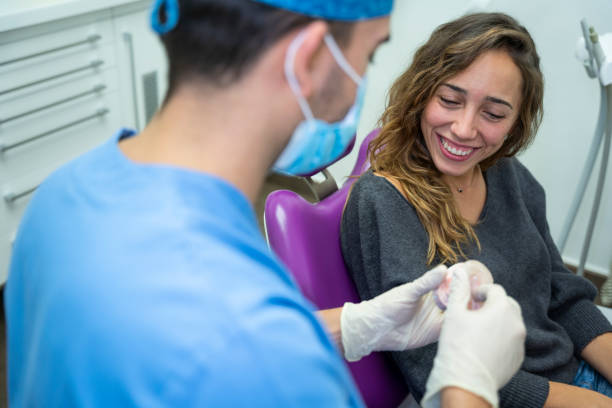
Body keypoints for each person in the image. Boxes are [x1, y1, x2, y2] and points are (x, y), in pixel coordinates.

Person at [5, 1, 524, 407]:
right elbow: (231, 343)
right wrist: (468, 384)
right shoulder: (266, 357)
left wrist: (358, 323)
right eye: (367, 57)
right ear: (310, 61)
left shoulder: (61, 197)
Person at [341, 11, 612, 408]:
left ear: (516, 123)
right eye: (450, 100)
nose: (465, 130)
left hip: (575, 371)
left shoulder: (506, 174)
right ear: (421, 93)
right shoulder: (383, 204)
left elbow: (561, 292)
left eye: (494, 114)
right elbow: (443, 375)